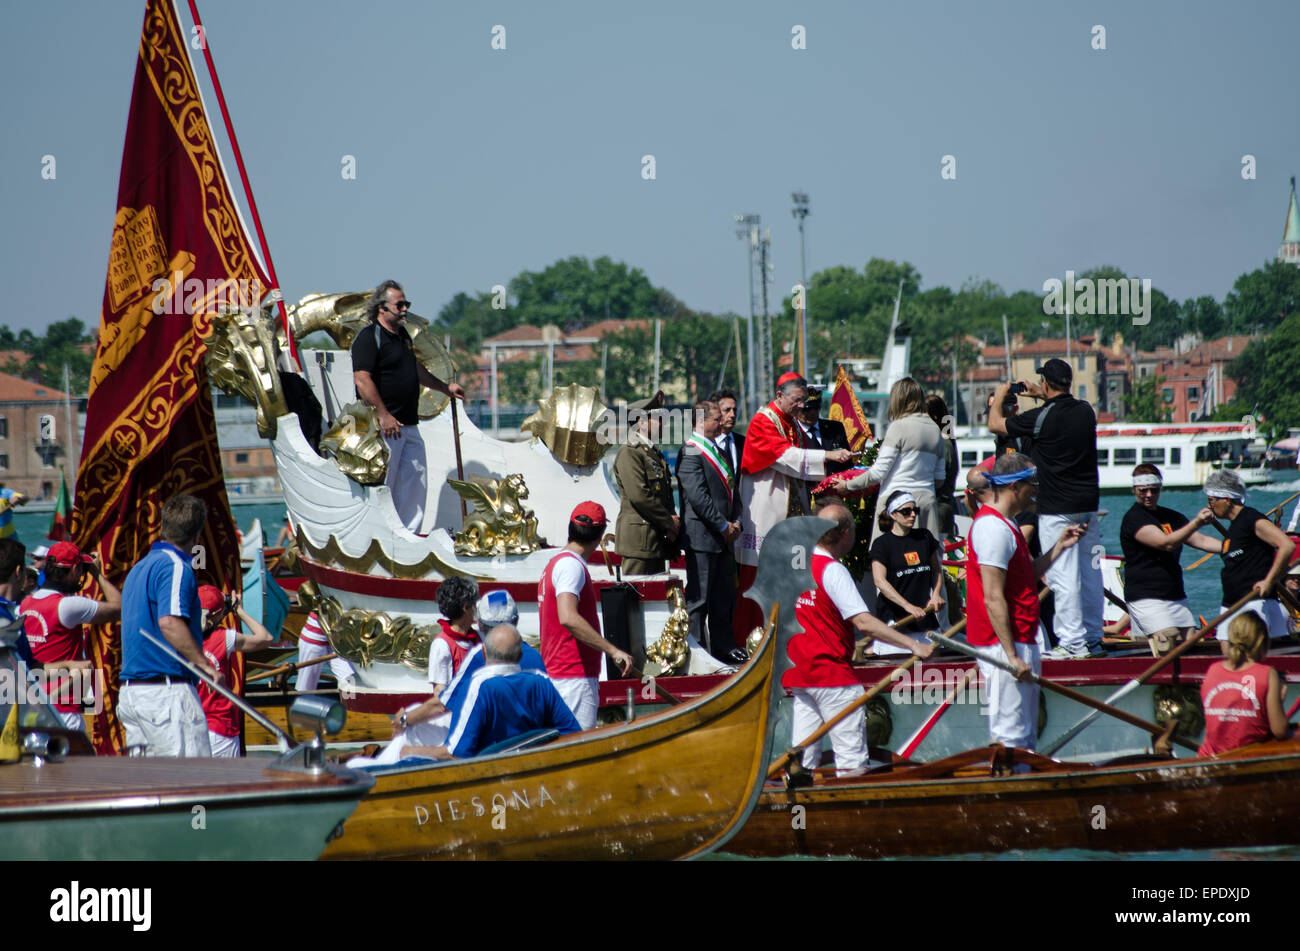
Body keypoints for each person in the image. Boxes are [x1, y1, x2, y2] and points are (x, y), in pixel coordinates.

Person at [783, 501, 933, 777]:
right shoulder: (834, 571)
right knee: (852, 766)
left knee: (801, 766)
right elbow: (864, 623)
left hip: (802, 676)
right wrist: (914, 645)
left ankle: (800, 819)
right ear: (845, 534)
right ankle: (851, 814)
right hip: (833, 678)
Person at [966, 453, 1084, 751]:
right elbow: (993, 596)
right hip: (1004, 645)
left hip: (1021, 640)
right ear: (1015, 486)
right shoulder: (992, 528)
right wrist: (1011, 657)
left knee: (1025, 737)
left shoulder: (1008, 524)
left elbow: (1024, 576)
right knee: (1010, 737)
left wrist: (1058, 547)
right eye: (1033, 485)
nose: (1037, 492)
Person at [988, 358, 1103, 659]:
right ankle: (1093, 639)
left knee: (1062, 576)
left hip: (1056, 507)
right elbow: (1063, 405)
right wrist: (1042, 393)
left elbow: (995, 425)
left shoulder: (1039, 417)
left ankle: (1072, 643)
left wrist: (1001, 394)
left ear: (1047, 383)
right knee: (1090, 575)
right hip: (1088, 504)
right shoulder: (1086, 412)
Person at [737, 374, 852, 636]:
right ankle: (755, 638)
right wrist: (828, 455)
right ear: (780, 396)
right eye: (797, 400)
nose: (802, 406)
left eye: (805, 401)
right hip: (765, 510)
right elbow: (786, 457)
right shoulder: (763, 421)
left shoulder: (789, 422)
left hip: (790, 508)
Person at [350, 280, 465, 533]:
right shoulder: (369, 338)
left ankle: (408, 537)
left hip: (409, 424)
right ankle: (381, 535)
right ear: (382, 307)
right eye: (399, 304)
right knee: (385, 486)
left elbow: (415, 369)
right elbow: (362, 379)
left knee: (416, 481)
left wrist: (446, 388)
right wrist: (384, 415)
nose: (404, 309)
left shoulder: (402, 337)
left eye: (406, 304)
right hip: (384, 428)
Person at [118, 494, 217, 757]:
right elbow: (169, 621)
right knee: (191, 785)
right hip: (166, 695)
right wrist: (203, 663)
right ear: (197, 535)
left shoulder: (139, 568)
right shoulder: (175, 567)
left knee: (146, 790)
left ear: (163, 527)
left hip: (134, 695)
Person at [402, 625, 581, 760]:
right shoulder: (541, 683)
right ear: (520, 657)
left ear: (484, 652)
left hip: (491, 776)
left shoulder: (480, 687)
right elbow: (573, 733)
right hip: (531, 766)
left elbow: (457, 754)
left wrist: (408, 751)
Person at [540, 502, 634, 728]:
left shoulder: (556, 563)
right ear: (601, 535)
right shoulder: (571, 567)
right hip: (572, 678)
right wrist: (612, 650)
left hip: (564, 675)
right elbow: (568, 617)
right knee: (577, 746)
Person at [829, 377, 945, 544]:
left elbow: (878, 472)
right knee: (924, 560)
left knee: (887, 559)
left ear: (897, 399)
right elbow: (940, 479)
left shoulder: (898, 427)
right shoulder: (935, 430)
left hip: (897, 504)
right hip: (926, 503)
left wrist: (847, 485)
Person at [21, 541, 122, 733]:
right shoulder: (68, 606)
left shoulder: (25, 603)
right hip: (64, 707)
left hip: (34, 703)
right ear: (75, 569)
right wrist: (96, 573)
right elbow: (119, 608)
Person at [677, 400, 745, 664]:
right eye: (716, 418)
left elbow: (731, 488)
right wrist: (722, 524)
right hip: (703, 537)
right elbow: (698, 496)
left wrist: (736, 520)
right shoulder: (691, 451)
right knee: (699, 600)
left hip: (725, 537)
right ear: (701, 421)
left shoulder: (719, 450)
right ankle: (698, 653)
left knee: (723, 598)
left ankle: (723, 647)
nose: (721, 423)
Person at [1118, 464, 1220, 640]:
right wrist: (1196, 522)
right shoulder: (1134, 518)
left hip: (1175, 594)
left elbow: (1201, 540)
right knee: (1167, 640)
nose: (1149, 495)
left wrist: (1234, 547)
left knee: (1190, 643)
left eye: (1154, 490)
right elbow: (1165, 543)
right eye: (1143, 491)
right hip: (1146, 597)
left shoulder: (1172, 516)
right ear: (1134, 489)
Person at [1206, 469, 1296, 646]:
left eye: (1211, 500)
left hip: (1253, 605)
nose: (1209, 506)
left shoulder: (1250, 518)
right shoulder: (1235, 526)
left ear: (1226, 499)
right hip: (1237, 604)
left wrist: (1268, 581)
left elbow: (1287, 545)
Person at [197, 587, 275, 757]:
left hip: (191, 729)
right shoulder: (221, 637)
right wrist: (239, 610)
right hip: (220, 728)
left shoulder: (180, 636)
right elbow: (266, 638)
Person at [1198, 612, 1289, 756]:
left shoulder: (1212, 671)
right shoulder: (1266, 674)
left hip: (1208, 759)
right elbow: (1279, 730)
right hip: (1246, 759)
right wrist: (1280, 701)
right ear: (1262, 642)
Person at [613, 391, 679, 575]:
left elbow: (664, 496)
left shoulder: (653, 453)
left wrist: (671, 523)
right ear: (641, 422)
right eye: (658, 418)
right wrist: (669, 522)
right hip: (639, 543)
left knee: (654, 599)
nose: (663, 423)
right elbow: (639, 496)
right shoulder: (630, 452)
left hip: (655, 541)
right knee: (637, 597)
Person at [868, 490, 944, 651]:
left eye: (914, 510)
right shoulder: (882, 544)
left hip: (924, 618)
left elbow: (936, 571)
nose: (912, 515)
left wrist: (936, 594)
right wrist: (907, 606)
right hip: (895, 622)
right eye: (906, 511)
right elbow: (880, 581)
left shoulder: (924, 537)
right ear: (893, 515)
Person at [427, 576, 480, 694]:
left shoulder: (481, 637)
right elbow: (440, 693)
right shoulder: (442, 645)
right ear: (466, 607)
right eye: (475, 603)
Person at [796, 388, 852, 474]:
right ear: (797, 408)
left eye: (816, 408)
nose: (812, 413)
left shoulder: (836, 428)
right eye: (806, 409)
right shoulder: (791, 431)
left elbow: (847, 464)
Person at [926, 395, 958, 538]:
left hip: (938, 509)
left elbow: (938, 479)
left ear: (934, 417)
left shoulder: (943, 443)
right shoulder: (943, 440)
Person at [709, 388, 745, 474]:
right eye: (727, 410)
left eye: (734, 410)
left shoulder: (743, 443)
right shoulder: (705, 444)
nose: (732, 415)